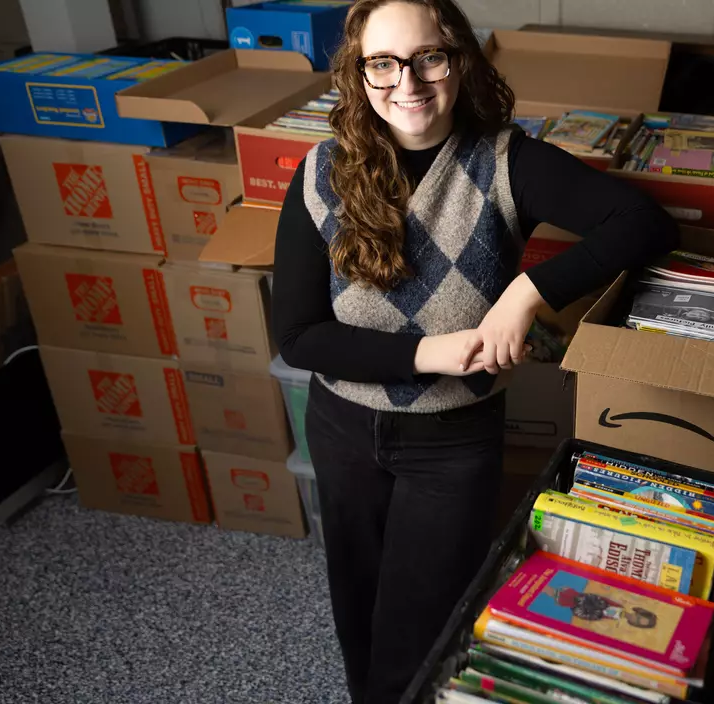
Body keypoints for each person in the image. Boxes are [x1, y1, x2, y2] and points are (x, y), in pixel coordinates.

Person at [270, 0, 679, 701]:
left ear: (459, 60)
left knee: (423, 628)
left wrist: (527, 293)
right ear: (359, 73)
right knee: (358, 617)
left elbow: (643, 221)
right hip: (341, 428)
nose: (409, 82)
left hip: (451, 442)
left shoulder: (506, 160)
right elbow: (300, 337)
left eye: (430, 57)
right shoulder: (320, 171)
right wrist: (431, 353)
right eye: (383, 63)